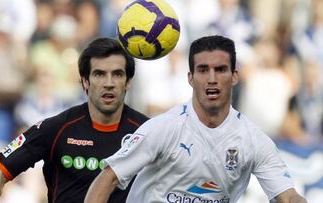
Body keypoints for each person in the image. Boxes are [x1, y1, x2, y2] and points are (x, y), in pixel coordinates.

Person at [84, 35, 307, 203]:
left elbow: (287, 196)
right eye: (202, 70)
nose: (212, 79)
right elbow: (108, 177)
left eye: (220, 70)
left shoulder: (253, 140)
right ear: (190, 78)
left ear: (234, 77)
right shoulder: (164, 128)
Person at [0, 37, 149, 203]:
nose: (109, 83)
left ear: (128, 82)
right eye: (99, 74)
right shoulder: (56, 128)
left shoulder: (148, 132)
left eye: (117, 74)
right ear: (85, 81)